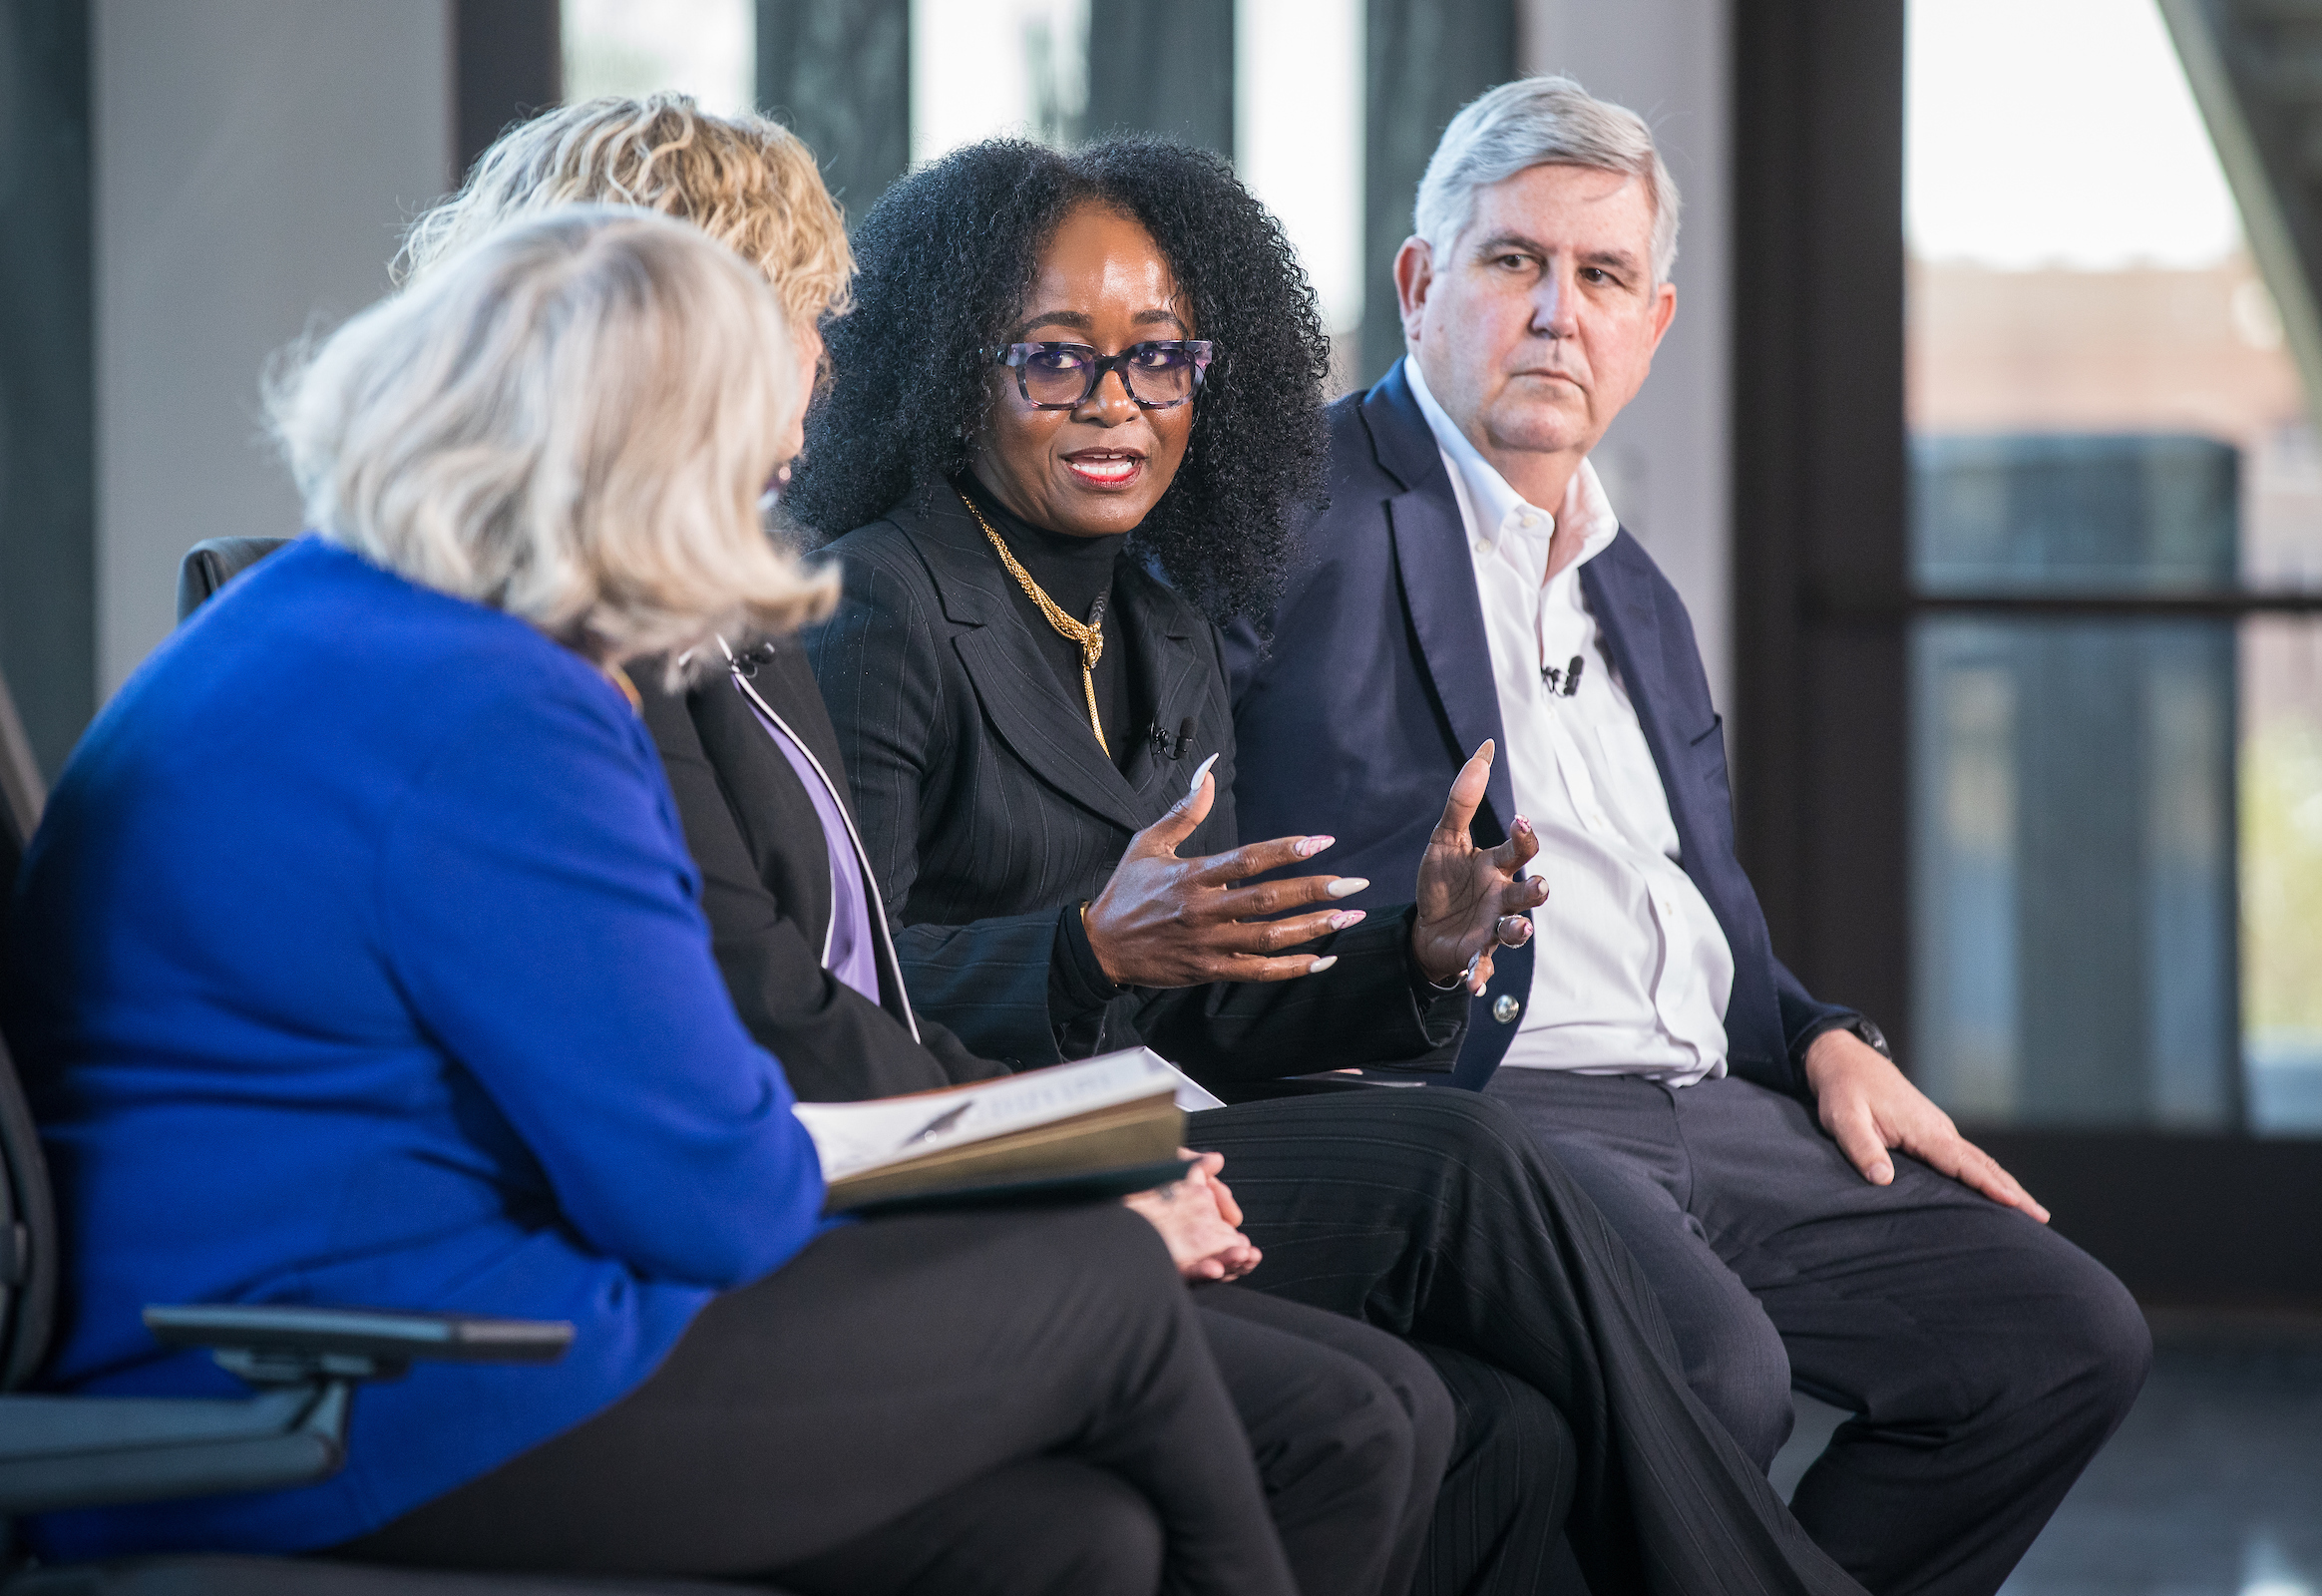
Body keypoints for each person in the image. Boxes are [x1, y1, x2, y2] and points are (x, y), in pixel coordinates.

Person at [3, 204, 1306, 1596]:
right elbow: (711, 1197)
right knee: (1105, 1293)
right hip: (352, 1382)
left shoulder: (339, 615)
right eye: (752, 442)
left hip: (323, 1339)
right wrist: (1062, 1177)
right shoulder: (495, 705)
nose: (784, 468)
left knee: (1070, 1544)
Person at [388, 95, 1452, 1596]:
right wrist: (1068, 1177)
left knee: (1099, 1532)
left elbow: (784, 1012)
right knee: (1311, 1405)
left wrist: (1069, 1149)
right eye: (803, 326)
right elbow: (730, 1072)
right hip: (440, 1343)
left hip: (608, 1253)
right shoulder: (533, 655)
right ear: (664, 342)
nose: (826, 376)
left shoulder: (631, 625)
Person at [795, 133, 1871, 1596]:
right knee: (1465, 1160)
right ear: (951, 365)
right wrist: (1084, 953)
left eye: (1159, 360)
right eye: (1057, 361)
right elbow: (827, 987)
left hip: (1147, 1120)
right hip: (979, 1149)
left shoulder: (1163, 626)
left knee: (1515, 1438)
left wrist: (1422, 959)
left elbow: (1214, 1007)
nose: (1117, 405)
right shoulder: (885, 602)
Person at [1224, 75, 2155, 1596]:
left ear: (1652, 327)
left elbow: (1692, 905)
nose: (1555, 315)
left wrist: (1827, 1037)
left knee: (2058, 1340)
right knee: (1715, 1368)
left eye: (1601, 279)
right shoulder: (1293, 516)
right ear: (1418, 284)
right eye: (1513, 261)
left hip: (1719, 1106)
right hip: (1493, 1107)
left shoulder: (1632, 589)